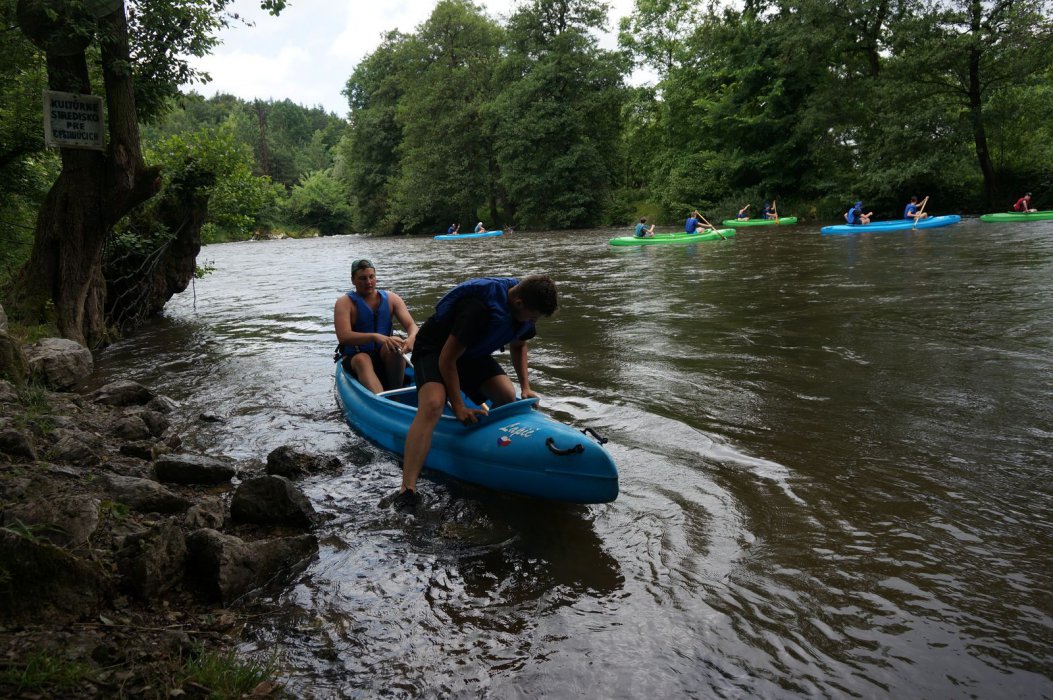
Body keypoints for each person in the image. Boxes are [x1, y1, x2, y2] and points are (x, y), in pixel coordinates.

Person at [386, 275, 559, 511]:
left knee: (507, 395)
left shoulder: (525, 302)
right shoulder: (477, 310)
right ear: (519, 303)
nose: (532, 321)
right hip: (434, 350)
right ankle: (407, 489)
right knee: (434, 403)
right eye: (532, 316)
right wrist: (457, 405)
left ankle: (492, 449)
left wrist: (526, 387)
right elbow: (447, 359)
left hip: (470, 354)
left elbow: (519, 345)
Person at [333, 259, 419, 394]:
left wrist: (411, 338)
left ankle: (395, 393)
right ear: (353, 280)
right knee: (363, 359)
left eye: (371, 277)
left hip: (383, 355)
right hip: (356, 357)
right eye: (362, 278)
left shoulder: (392, 298)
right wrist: (375, 337)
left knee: (396, 343)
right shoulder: (344, 303)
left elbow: (411, 325)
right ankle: (380, 400)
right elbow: (344, 337)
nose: (368, 282)